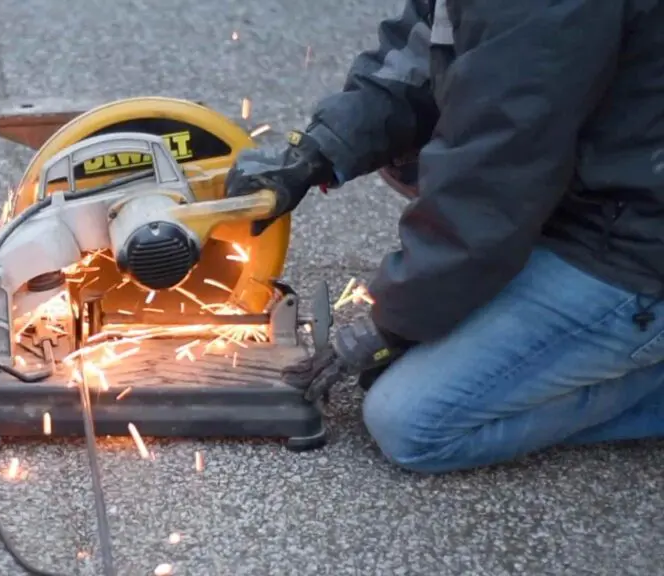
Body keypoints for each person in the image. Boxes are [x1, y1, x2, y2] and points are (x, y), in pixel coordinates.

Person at [224, 0, 664, 474]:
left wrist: (393, 321)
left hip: (634, 245)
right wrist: (319, 151)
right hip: (585, 197)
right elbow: (425, 47)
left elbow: (493, 177)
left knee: (413, 420)